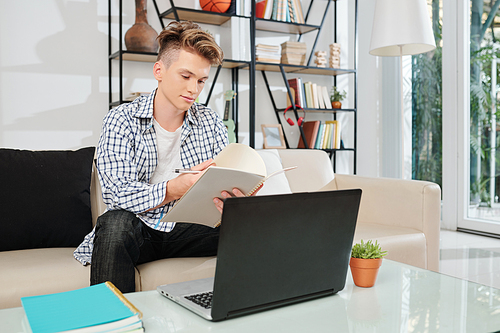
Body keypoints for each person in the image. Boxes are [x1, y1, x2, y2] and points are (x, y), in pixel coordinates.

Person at [74, 21, 248, 293]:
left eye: (201, 80)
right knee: (113, 222)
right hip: (139, 230)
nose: (194, 89)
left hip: (189, 228)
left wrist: (231, 202)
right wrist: (175, 188)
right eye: (185, 76)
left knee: (256, 224)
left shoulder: (211, 122)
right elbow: (116, 194)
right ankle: (112, 322)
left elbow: (218, 182)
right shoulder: (121, 119)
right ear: (159, 70)